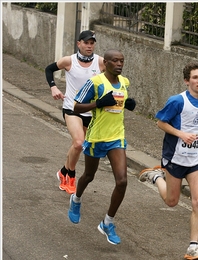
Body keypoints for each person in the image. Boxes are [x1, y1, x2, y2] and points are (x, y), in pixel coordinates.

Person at [138, 63, 198, 260]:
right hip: (175, 158)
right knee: (171, 201)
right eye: (195, 78)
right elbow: (160, 122)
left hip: (196, 159)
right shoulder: (177, 101)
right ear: (187, 81)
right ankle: (157, 176)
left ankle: (193, 247)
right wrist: (181, 134)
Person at [68, 49, 136, 245]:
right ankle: (76, 200)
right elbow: (76, 106)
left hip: (117, 137)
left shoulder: (124, 82)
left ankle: (107, 222)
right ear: (105, 63)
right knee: (89, 176)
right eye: (115, 60)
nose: (119, 64)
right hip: (96, 138)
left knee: (122, 181)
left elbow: (119, 105)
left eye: (122, 60)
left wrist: (128, 104)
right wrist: (98, 103)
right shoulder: (95, 82)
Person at [44, 30, 105, 194]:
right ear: (79, 43)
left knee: (78, 146)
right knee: (79, 142)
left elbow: (112, 79)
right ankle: (70, 176)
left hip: (90, 112)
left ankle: (63, 170)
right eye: (86, 43)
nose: (89, 46)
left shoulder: (100, 63)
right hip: (71, 108)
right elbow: (49, 69)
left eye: (92, 43)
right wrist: (53, 87)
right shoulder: (69, 61)